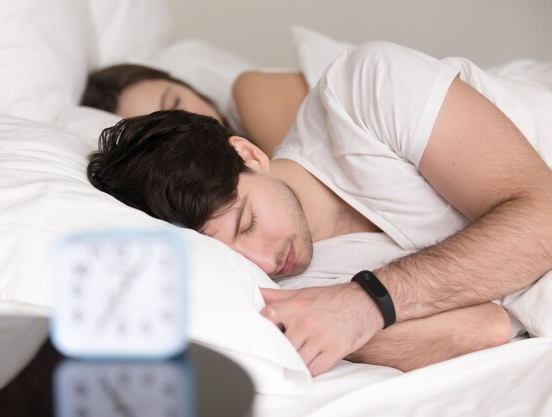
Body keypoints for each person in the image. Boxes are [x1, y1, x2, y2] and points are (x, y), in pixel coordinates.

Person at [87, 41, 552, 376]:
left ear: (249, 154)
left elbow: (545, 217)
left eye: (247, 222)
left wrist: (369, 302)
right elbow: (485, 328)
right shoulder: (288, 287)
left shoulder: (365, 90)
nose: (267, 260)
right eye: (234, 253)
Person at [82, 63, 308, 156]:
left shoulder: (252, 91)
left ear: (187, 87)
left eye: (175, 103)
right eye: (166, 127)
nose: (188, 122)